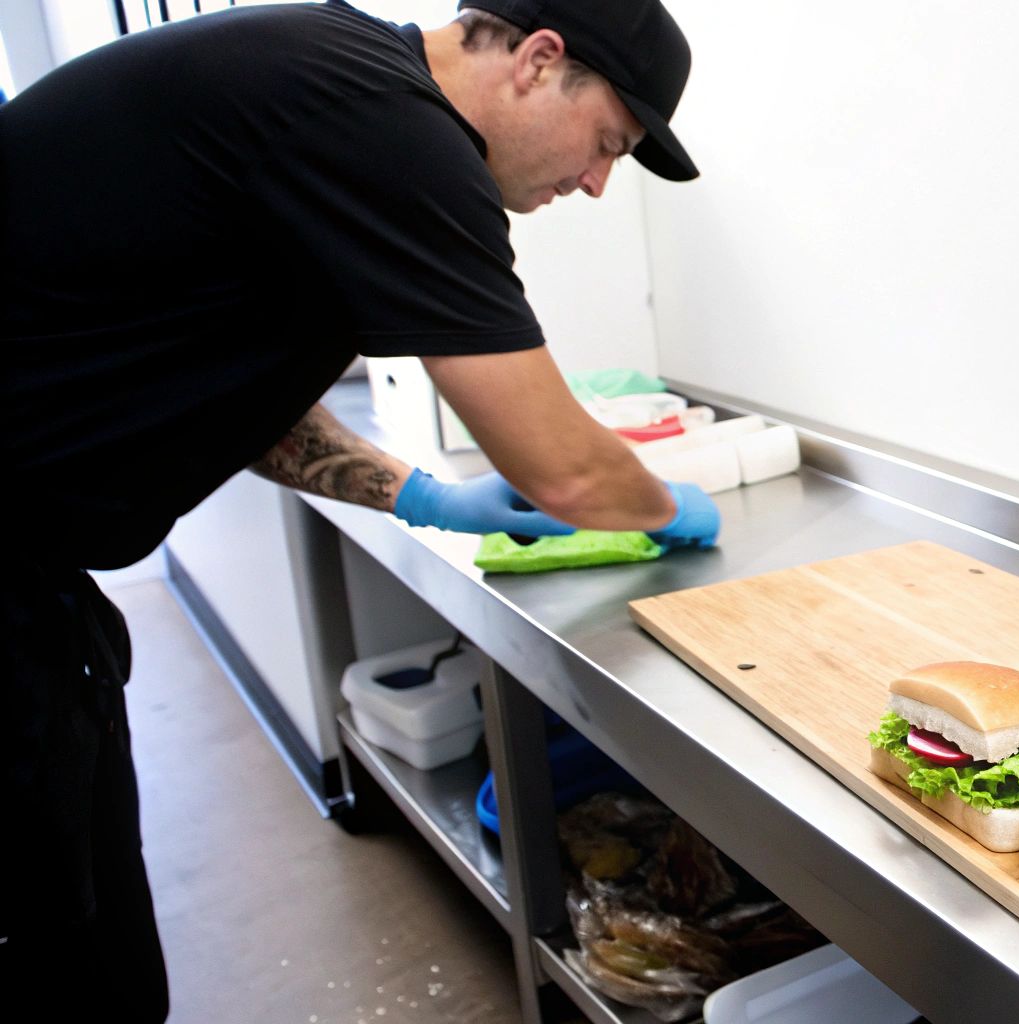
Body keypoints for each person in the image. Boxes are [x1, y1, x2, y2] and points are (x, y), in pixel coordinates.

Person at [0, 1, 717, 1017]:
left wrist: (420, 493)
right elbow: (565, 470)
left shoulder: (327, 82)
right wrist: (669, 509)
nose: (597, 183)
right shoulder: (394, 130)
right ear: (538, 60)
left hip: (33, 577)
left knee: (96, 941)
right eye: (606, 143)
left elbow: (239, 398)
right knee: (54, 965)